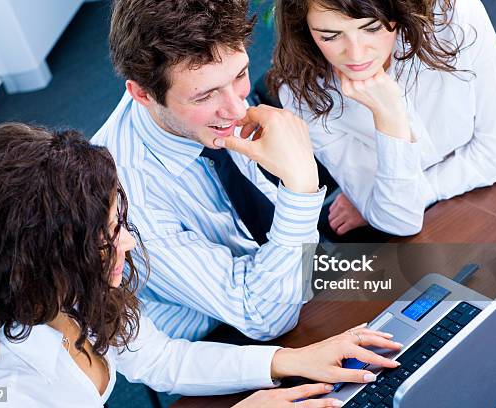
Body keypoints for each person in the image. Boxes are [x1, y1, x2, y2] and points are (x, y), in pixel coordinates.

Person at [0, 123, 402, 407]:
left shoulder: (73, 294)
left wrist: (293, 360)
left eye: (120, 222)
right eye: (107, 236)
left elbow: (162, 358)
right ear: (42, 259)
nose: (127, 241)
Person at [93, 0, 326, 341]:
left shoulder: (210, 94)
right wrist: (301, 189)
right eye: (205, 96)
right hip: (224, 333)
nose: (235, 108)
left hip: (283, 270)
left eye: (241, 75)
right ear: (143, 94)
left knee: (418, 283)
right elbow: (261, 316)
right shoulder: (126, 197)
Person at [270, 0, 496, 236]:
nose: (356, 55)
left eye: (372, 27)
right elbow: (399, 219)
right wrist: (389, 117)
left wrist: (396, 196)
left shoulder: (453, 13)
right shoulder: (301, 92)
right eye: (330, 36)